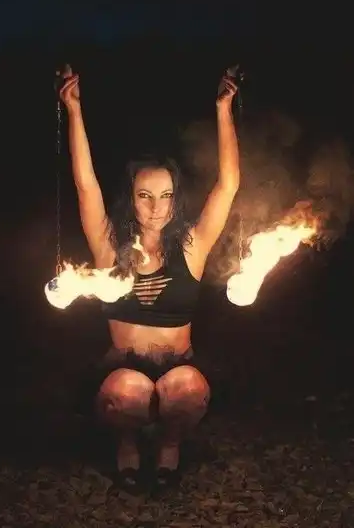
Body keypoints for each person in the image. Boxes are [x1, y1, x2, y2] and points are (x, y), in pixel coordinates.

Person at [59, 64, 240, 492]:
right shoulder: (109, 246)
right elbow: (86, 185)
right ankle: (126, 444)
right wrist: (74, 110)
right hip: (123, 372)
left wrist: (224, 110)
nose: (156, 208)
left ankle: (169, 446)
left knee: (187, 387)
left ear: (175, 201)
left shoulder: (192, 247)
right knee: (129, 390)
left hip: (179, 367)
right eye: (145, 196)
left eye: (165, 196)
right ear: (132, 199)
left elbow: (228, 186)